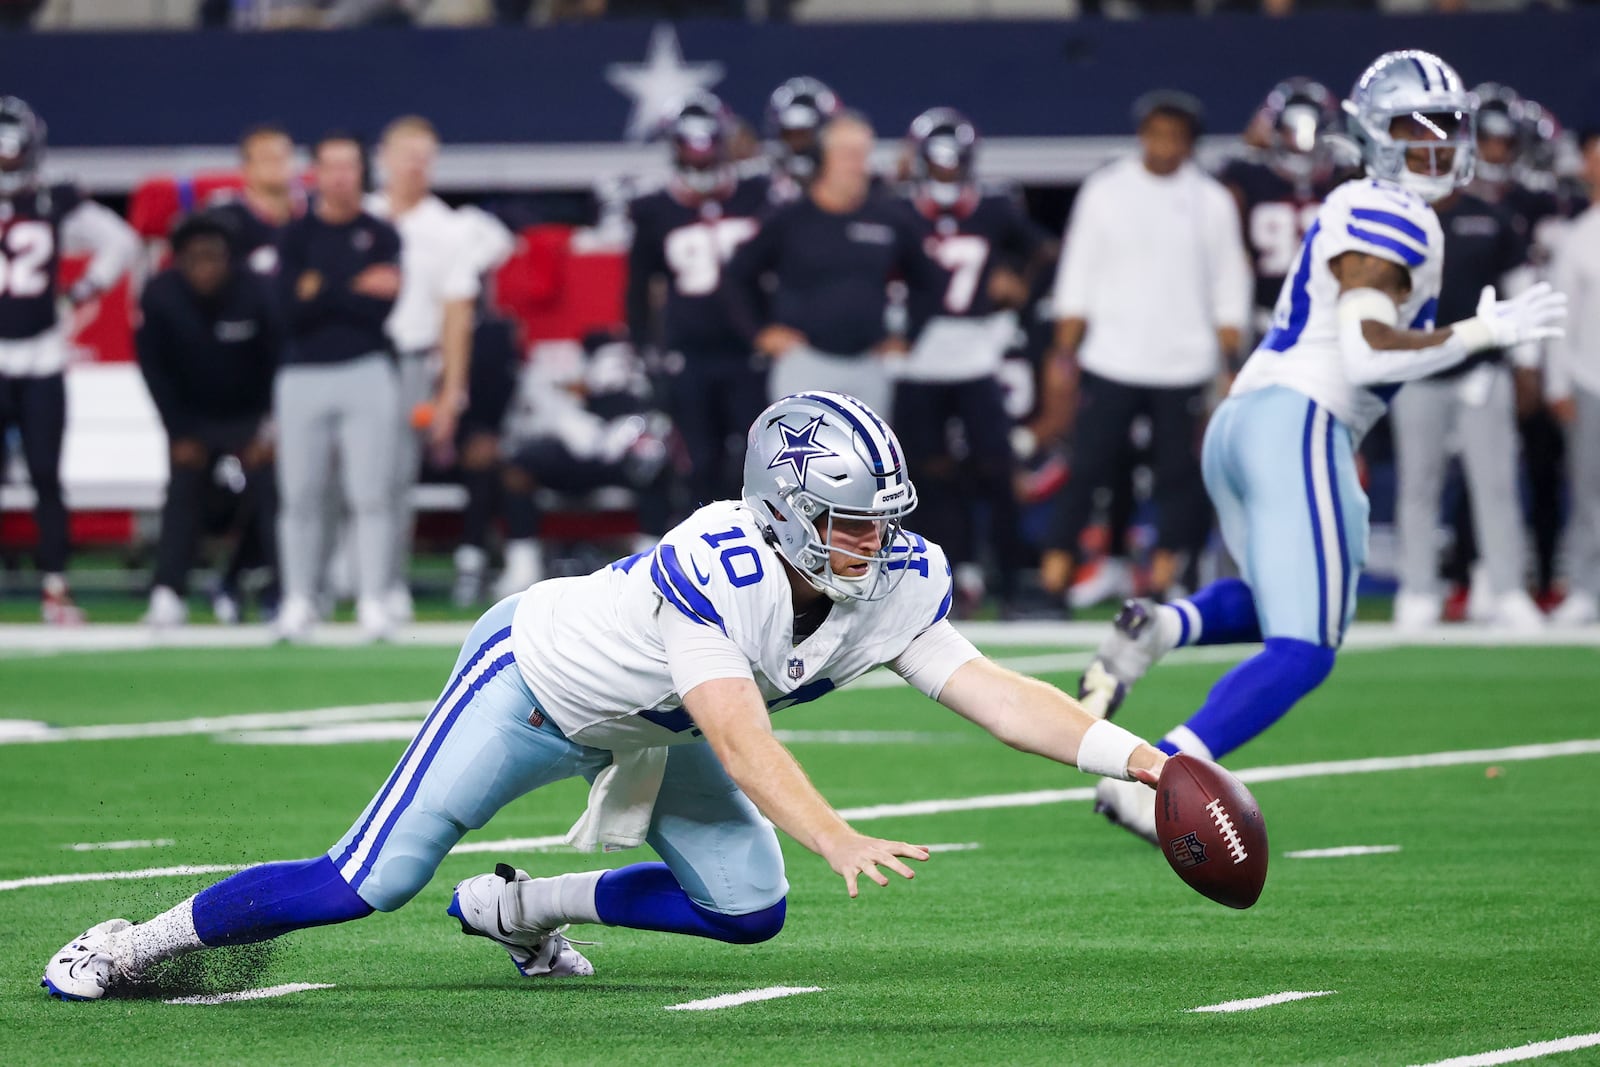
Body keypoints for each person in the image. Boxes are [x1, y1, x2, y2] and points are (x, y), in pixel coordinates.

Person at [42, 389, 1168, 1001]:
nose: (877, 544)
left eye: (883, 517)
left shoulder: (890, 579)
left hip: (655, 720)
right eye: (850, 521)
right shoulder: (717, 560)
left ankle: (522, 909)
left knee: (746, 912)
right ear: (780, 508)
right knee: (366, 881)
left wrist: (1149, 761)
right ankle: (132, 939)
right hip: (534, 686)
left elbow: (994, 691)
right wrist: (831, 831)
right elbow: (734, 731)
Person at [1076, 50, 1566, 842]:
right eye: (1419, 126)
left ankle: (1163, 627)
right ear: (1377, 135)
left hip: (1250, 417)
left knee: (1284, 601)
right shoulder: (1398, 211)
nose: (1439, 144)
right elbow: (1369, 349)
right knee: (1305, 650)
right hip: (1301, 420)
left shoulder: (1361, 200)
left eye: (1448, 126)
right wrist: (1484, 330)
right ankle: (1156, 772)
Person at [1039, 91, 1252, 605]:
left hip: (1184, 363)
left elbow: (1229, 282)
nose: (1165, 145)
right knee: (1087, 469)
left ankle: (1163, 580)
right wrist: (1063, 355)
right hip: (1110, 356)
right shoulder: (1105, 191)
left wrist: (1228, 361)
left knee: (1178, 477)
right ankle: (1054, 580)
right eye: (1157, 134)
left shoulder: (1212, 201)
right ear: (1142, 137)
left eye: (1175, 136)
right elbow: (1078, 272)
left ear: (1189, 144)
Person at [894, 107, 1050, 615]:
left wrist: (1015, 281)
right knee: (925, 475)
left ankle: (1011, 578)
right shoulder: (896, 210)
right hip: (917, 359)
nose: (943, 171)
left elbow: (1043, 250)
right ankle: (941, 578)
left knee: (996, 468)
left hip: (976, 354)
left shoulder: (993, 208)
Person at [0, 96, 140, 624]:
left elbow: (120, 241)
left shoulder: (55, 198)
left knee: (45, 477)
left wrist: (83, 289)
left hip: (40, 356)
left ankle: (54, 588)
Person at [723, 111, 948, 422]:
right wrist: (759, 332)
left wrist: (909, 336)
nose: (858, 165)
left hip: (868, 364)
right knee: (799, 464)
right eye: (848, 155)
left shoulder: (887, 218)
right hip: (804, 362)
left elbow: (930, 279)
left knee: (867, 464)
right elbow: (737, 275)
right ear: (823, 158)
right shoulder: (790, 219)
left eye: (863, 154)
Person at [1389, 181, 1543, 631]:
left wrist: (1527, 362)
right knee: (1417, 485)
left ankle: (1507, 588)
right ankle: (1417, 590)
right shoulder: (1398, 219)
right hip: (1416, 367)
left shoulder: (1492, 218)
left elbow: (1520, 290)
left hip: (1482, 370)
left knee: (1495, 485)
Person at [273, 132, 403, 642]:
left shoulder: (381, 233)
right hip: (302, 373)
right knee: (300, 494)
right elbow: (287, 310)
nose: (341, 177)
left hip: (367, 369)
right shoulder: (295, 234)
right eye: (331, 167)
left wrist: (321, 287)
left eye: (350, 167)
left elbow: (382, 306)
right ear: (316, 173)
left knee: (371, 492)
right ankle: (299, 598)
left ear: (361, 172)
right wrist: (350, 285)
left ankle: (373, 598)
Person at [135, 212, 282, 627]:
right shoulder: (160, 297)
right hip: (192, 418)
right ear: (178, 260)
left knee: (271, 487)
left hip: (249, 418)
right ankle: (168, 592)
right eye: (194, 258)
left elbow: (278, 362)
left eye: (214, 257)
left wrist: (268, 427)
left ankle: (277, 590)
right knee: (183, 488)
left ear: (229, 259)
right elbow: (155, 371)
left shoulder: (257, 292)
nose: (205, 267)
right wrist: (177, 431)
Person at [626, 92, 770, 513]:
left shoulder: (757, 194)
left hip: (751, 351)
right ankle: (702, 559)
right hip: (689, 352)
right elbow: (638, 287)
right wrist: (644, 350)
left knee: (753, 461)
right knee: (697, 461)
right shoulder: (654, 208)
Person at [364, 115, 480, 624]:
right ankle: (323, 585)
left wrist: (450, 391)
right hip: (350, 357)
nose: (414, 166)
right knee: (336, 480)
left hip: (409, 359)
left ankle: (388, 584)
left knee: (392, 481)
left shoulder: (447, 227)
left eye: (424, 157)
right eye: (405, 154)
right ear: (382, 158)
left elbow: (457, 315)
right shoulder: (359, 216)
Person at [1546, 130, 1600, 625]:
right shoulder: (1579, 235)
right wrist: (1557, 383)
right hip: (1590, 380)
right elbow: (1561, 317)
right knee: (1589, 492)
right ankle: (1585, 585)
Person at [763, 77, 840, 204]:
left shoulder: (844, 182)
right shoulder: (763, 182)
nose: (796, 142)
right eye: (788, 134)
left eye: (803, 134)